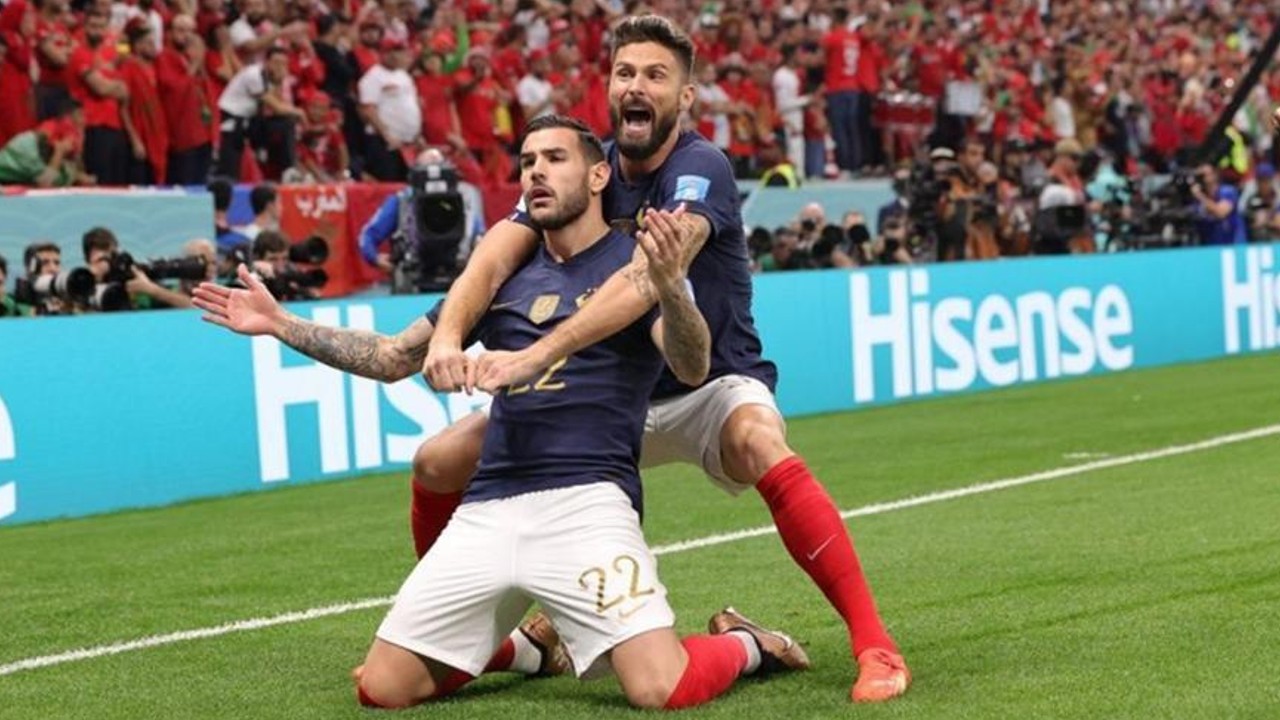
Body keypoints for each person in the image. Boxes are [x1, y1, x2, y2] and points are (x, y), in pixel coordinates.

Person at [195, 114, 810, 710]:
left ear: (599, 176)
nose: (536, 172)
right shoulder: (501, 278)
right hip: (488, 505)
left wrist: (674, 288)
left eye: (555, 159)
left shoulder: (636, 269)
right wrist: (280, 324)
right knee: (382, 689)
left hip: (587, 503)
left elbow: (692, 364)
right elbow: (390, 357)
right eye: (527, 162)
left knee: (657, 689)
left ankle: (746, 644)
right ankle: (532, 653)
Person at [418, 15, 909, 704]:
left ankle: (875, 645)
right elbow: (492, 258)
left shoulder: (699, 167)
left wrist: (539, 355)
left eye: (656, 75)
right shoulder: (582, 173)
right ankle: (494, 648)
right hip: (614, 394)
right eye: (625, 73)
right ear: (608, 87)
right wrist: (431, 337)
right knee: (441, 458)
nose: (637, 86)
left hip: (706, 378)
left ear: (685, 96)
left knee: (757, 439)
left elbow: (648, 277)